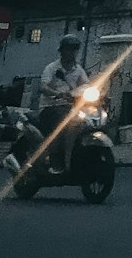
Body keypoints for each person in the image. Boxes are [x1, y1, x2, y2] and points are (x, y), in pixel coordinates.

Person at [38, 33, 89, 172]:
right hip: (50, 107)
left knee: (88, 122)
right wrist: (56, 94)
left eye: (74, 49)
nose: (71, 52)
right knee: (61, 125)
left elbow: (86, 85)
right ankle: (56, 160)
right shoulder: (52, 68)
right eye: (68, 49)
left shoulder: (78, 70)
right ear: (62, 50)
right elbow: (43, 86)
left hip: (70, 107)